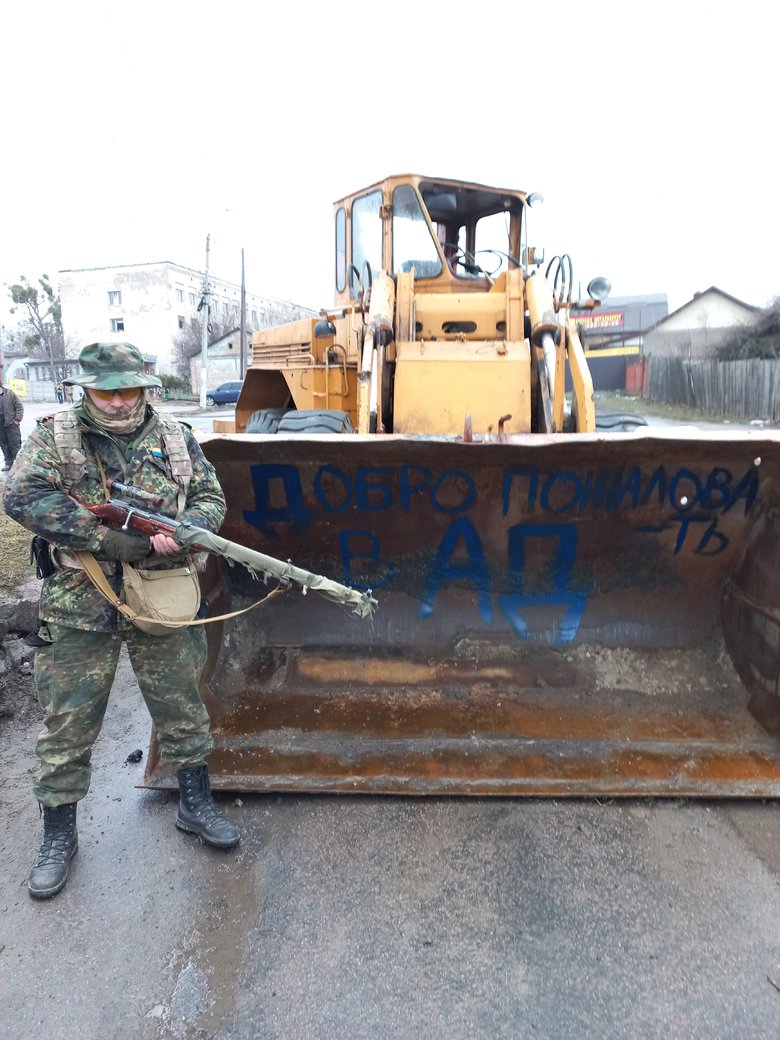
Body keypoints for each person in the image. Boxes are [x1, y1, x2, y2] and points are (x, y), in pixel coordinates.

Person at [4, 342, 239, 901]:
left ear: (143, 387)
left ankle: (194, 801)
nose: (115, 402)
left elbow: (210, 496)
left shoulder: (174, 438)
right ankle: (59, 835)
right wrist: (109, 540)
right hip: (79, 602)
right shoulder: (56, 438)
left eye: (125, 390)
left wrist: (182, 532)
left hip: (160, 596)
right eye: (104, 390)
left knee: (182, 703)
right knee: (69, 724)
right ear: (87, 388)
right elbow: (20, 496)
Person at [0, 380, 24, 471]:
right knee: (4, 445)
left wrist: (17, 420)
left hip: (11, 424)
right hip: (0, 426)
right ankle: (8, 463)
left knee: (15, 444)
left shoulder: (9, 394)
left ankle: (19, 464)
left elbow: (19, 406)